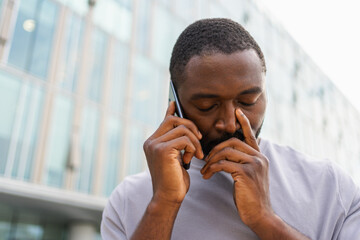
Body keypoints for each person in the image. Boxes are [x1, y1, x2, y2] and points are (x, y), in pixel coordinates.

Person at [101, 18, 360, 240]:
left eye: (248, 101)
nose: (229, 122)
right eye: (207, 105)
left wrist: (264, 219)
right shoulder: (129, 200)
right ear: (175, 103)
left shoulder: (330, 187)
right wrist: (164, 203)